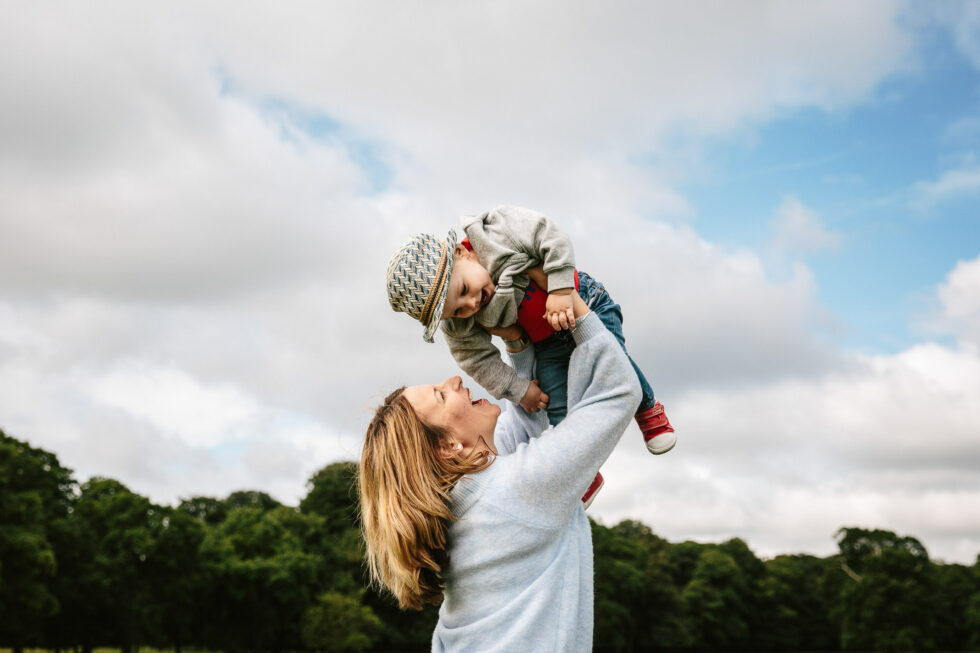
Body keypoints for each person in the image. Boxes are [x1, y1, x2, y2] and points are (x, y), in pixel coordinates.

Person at [359, 287, 642, 651]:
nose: (455, 380)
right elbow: (618, 391)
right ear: (447, 447)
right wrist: (574, 303)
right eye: (442, 396)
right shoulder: (516, 490)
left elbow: (525, 424)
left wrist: (517, 343)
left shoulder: (467, 498)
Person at [385, 205, 675, 505]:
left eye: (464, 290)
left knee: (614, 361)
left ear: (462, 253)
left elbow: (550, 237)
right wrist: (520, 390)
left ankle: (648, 410)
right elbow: (477, 360)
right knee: (556, 404)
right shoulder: (459, 325)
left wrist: (561, 290)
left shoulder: (496, 232)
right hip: (544, 340)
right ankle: (583, 472)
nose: (470, 305)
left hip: (584, 300)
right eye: (457, 310)